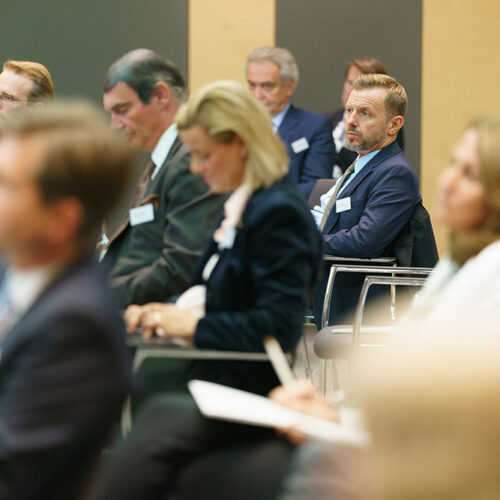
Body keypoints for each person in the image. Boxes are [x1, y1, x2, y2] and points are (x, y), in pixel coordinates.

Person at [95, 80, 322, 500]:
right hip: (210, 372)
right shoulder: (240, 206)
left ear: (240, 144)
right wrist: (162, 314)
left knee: (152, 414)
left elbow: (277, 326)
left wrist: (191, 326)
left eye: (203, 154)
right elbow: (209, 295)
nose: (196, 168)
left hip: (243, 386)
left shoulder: (279, 214)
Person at [0, 101, 133, 499]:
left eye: (6, 185)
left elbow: (13, 475)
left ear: (61, 219)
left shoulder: (75, 325)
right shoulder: (18, 276)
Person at [101, 48, 226, 307]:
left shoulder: (189, 162)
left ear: (161, 96)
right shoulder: (166, 158)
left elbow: (180, 266)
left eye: (122, 110)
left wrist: (102, 296)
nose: (114, 124)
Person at [312, 74, 423, 326]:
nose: (350, 120)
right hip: (332, 296)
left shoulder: (395, 172)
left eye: (365, 113)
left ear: (394, 125)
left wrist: (306, 242)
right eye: (349, 110)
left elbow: (365, 240)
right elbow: (326, 218)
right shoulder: (361, 165)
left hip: (359, 312)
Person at [246, 46, 334, 197]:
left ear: (289, 86)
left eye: (267, 86)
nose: (257, 95)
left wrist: (263, 199)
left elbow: (315, 185)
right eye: (252, 85)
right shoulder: (236, 125)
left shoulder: (314, 127)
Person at [324, 57, 404, 176]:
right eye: (350, 82)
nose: (352, 90)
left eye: (365, 114)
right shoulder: (324, 121)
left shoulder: (388, 126)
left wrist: (337, 148)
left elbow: (374, 167)